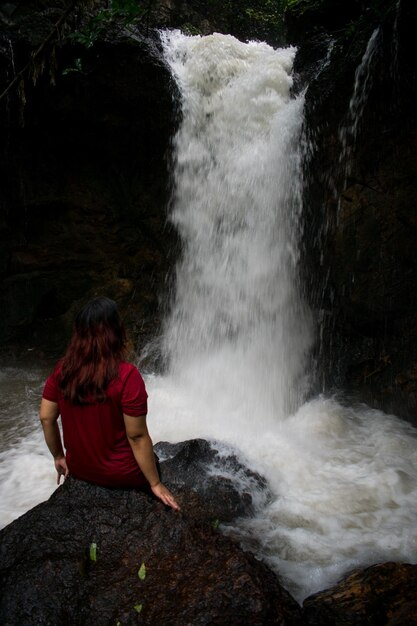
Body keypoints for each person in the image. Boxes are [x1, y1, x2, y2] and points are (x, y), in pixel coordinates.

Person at [39, 296, 180, 511]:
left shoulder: (63, 371)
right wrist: (156, 483)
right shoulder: (126, 375)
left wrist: (59, 456)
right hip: (124, 476)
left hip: (80, 471)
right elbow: (137, 436)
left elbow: (46, 417)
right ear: (115, 331)